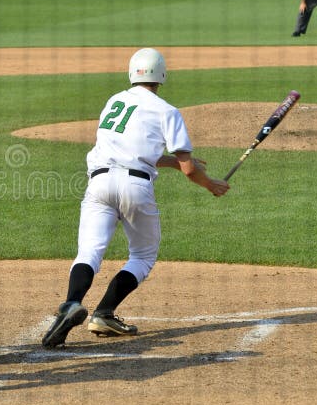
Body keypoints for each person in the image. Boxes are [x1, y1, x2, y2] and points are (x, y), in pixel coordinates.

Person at [42, 48, 230, 348]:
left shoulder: (114, 101)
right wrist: (211, 185)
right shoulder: (167, 111)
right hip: (135, 188)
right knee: (142, 256)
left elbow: (128, 150)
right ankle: (104, 312)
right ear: (162, 75)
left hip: (99, 182)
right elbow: (190, 169)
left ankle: (70, 304)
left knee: (88, 253)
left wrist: (168, 162)